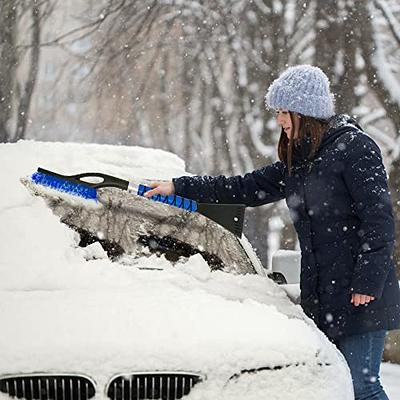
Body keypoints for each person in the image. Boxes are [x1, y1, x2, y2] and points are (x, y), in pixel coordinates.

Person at [145, 65, 400, 399]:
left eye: (283, 112)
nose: (279, 120)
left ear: (305, 112)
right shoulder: (300, 160)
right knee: (334, 388)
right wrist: (179, 186)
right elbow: (244, 188)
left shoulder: (355, 148)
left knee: (362, 387)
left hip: (359, 294)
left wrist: (366, 283)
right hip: (323, 295)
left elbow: (379, 221)